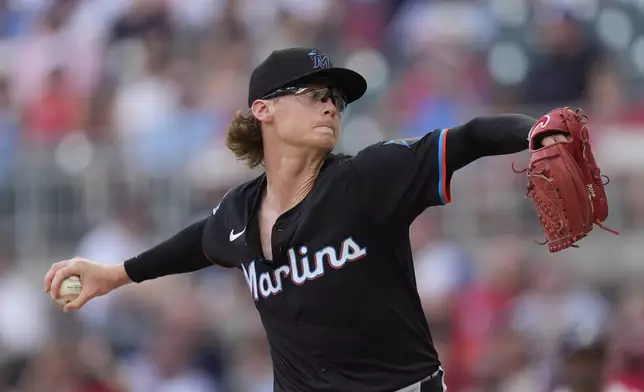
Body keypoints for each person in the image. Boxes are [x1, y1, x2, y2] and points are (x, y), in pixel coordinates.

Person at [45, 47, 569, 392]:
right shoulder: (237, 214)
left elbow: (470, 137)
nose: (332, 107)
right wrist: (116, 273)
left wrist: (537, 129)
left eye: (337, 100)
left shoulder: (368, 178)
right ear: (265, 110)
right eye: (316, 95)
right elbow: (197, 244)